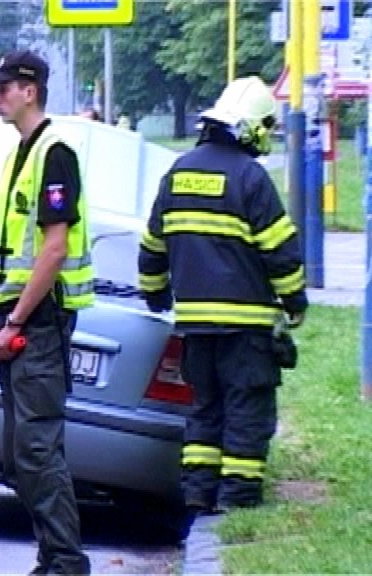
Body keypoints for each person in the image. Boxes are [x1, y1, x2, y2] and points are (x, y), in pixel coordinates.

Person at [137, 76, 307, 514]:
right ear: (252, 126)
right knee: (247, 406)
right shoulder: (250, 177)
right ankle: (238, 497)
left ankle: (198, 493)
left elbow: (153, 244)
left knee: (205, 407)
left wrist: (155, 294)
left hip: (195, 325)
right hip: (245, 326)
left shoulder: (178, 172)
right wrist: (295, 302)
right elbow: (279, 250)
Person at [0, 49, 94, 575]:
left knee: (37, 449)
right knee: (22, 454)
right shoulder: (17, 157)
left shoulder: (55, 152)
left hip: (41, 322)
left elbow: (54, 250)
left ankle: (65, 562)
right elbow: (5, 255)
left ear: (30, 92)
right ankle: (52, 559)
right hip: (19, 319)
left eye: (3, 88)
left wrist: (17, 321)